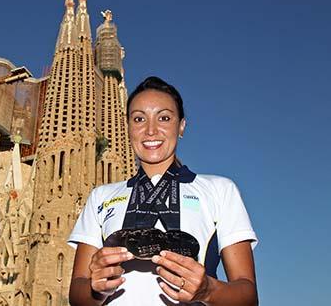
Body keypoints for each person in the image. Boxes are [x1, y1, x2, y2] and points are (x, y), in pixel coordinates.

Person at [68, 76, 258, 305]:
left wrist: (208, 290)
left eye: (164, 118)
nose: (150, 130)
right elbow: (77, 295)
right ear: (127, 127)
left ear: (181, 126)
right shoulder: (101, 196)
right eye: (139, 119)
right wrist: (96, 289)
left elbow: (247, 294)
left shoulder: (220, 190)